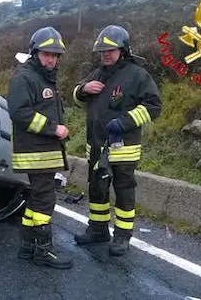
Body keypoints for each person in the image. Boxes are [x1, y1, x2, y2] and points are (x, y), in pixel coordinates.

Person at [72, 25, 162, 256]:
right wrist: (83, 89)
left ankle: (122, 236)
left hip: (124, 149)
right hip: (96, 146)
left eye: (110, 50)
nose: (106, 54)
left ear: (123, 50)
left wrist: (124, 122)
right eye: (102, 51)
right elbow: (78, 101)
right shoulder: (98, 74)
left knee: (124, 191)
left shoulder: (137, 75)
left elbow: (153, 106)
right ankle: (98, 230)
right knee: (97, 191)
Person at [6, 26, 72, 269]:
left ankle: (27, 246)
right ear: (35, 53)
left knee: (36, 200)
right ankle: (44, 250)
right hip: (37, 151)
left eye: (55, 56)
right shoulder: (25, 77)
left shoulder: (42, 77)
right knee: (45, 200)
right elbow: (19, 112)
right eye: (46, 54)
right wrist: (53, 128)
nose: (51, 59)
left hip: (41, 151)